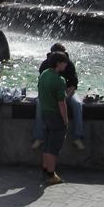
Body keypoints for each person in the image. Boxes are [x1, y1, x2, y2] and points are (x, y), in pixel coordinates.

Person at [31, 43, 85, 150]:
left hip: (67, 92)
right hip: (48, 93)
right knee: (39, 104)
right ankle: (39, 137)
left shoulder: (68, 64)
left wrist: (67, 96)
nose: (64, 61)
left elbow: (74, 83)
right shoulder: (45, 65)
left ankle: (77, 137)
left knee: (78, 104)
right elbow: (41, 84)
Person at [37, 50, 69, 186]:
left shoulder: (44, 74)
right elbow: (61, 103)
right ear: (59, 64)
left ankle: (44, 170)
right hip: (55, 115)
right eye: (64, 63)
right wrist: (66, 120)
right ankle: (51, 174)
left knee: (47, 143)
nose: (66, 65)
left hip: (44, 113)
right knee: (54, 146)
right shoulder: (59, 80)